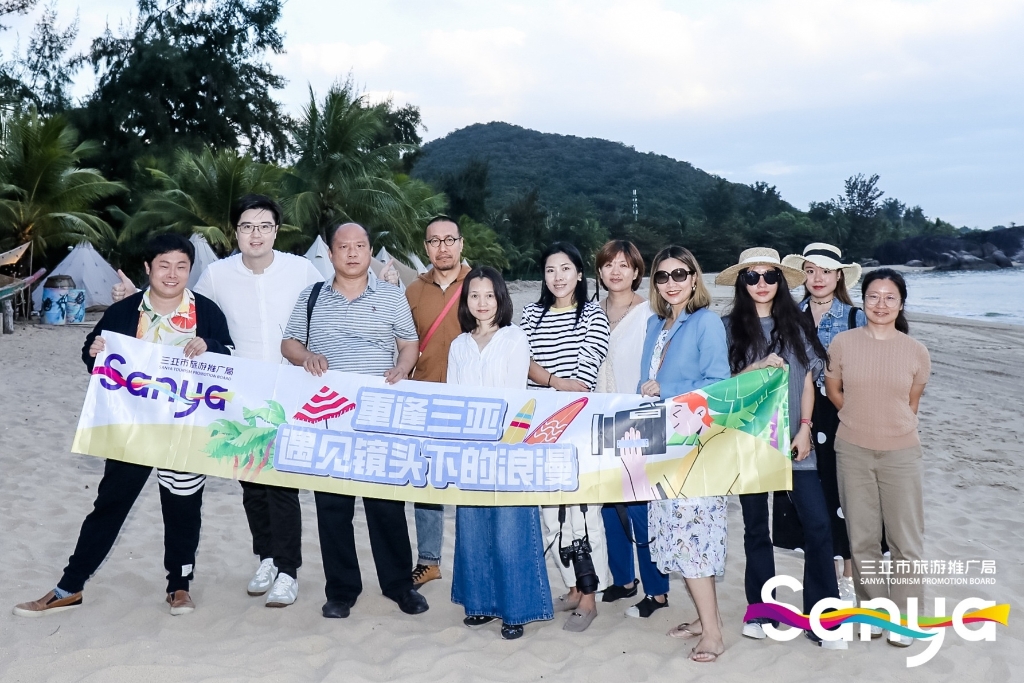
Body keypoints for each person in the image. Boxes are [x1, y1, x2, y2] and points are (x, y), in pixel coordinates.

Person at [111, 195, 324, 607]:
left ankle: (288, 571)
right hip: (238, 391)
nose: (255, 234)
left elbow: (330, 303)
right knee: (251, 480)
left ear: (276, 231)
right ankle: (266, 558)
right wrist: (133, 296)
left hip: (290, 388)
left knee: (282, 483)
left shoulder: (301, 269)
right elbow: (180, 307)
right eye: (247, 226)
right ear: (235, 232)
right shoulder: (218, 274)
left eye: (264, 226)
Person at [14, 234, 234, 618]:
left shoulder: (207, 311)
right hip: (133, 427)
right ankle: (70, 586)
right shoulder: (126, 310)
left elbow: (230, 357)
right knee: (110, 505)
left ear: (190, 270)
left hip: (187, 429)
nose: (172, 274)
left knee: (183, 509)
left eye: (181, 266)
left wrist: (210, 347)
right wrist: (94, 352)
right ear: (148, 268)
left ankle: (179, 586)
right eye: (163, 265)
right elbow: (93, 350)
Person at [281, 222, 428, 619]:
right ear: (330, 254)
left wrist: (403, 367)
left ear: (369, 251)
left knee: (386, 506)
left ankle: (399, 585)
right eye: (343, 247)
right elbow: (289, 342)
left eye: (359, 246)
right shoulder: (312, 295)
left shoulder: (392, 295)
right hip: (328, 417)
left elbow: (408, 342)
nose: (351, 253)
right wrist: (306, 357)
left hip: (377, 416)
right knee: (332, 506)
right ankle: (342, 591)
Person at [715, 247, 844, 651]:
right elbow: (718, 387)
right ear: (741, 282)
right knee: (756, 528)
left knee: (818, 525)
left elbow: (806, 382)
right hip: (748, 442)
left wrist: (805, 428)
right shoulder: (726, 327)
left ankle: (822, 617)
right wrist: (753, 368)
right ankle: (762, 610)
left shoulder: (797, 324)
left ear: (781, 281)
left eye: (770, 276)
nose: (761, 284)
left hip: (794, 442)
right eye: (751, 276)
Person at [825, 268, 930, 647]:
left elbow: (911, 402)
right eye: (873, 296)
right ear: (863, 299)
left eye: (889, 297)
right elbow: (834, 390)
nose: (880, 304)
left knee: (905, 541)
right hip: (852, 450)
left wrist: (887, 425)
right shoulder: (842, 343)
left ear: (901, 304)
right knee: (862, 539)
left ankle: (905, 619)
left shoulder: (916, 351)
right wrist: (857, 418)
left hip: (901, 453)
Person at [447, 266, 552, 640]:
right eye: (474, 295)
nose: (482, 302)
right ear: (466, 301)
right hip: (469, 449)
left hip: (508, 445)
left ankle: (516, 610)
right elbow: (454, 397)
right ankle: (480, 604)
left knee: (511, 531)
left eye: (489, 295)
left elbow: (514, 394)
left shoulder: (514, 338)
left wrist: (498, 440)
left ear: (500, 299)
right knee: (473, 528)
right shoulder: (459, 345)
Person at [638, 246, 730, 663]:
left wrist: (667, 391)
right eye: (662, 276)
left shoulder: (706, 322)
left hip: (695, 446)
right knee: (678, 533)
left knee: (694, 538)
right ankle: (705, 618)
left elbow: (718, 385)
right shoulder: (656, 325)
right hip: (662, 444)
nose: (671, 282)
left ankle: (712, 633)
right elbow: (646, 380)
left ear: (694, 278)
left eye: (680, 274)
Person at [521, 241, 611, 632]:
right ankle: (572, 588)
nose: (557, 277)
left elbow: (584, 377)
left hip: (579, 426)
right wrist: (554, 381)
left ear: (579, 273)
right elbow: (521, 361)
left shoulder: (593, 315)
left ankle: (590, 597)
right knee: (552, 514)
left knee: (583, 514)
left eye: (565, 269)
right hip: (539, 430)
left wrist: (550, 382)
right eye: (550, 270)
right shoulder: (530, 315)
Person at [383, 215, 470, 589]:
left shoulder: (481, 284)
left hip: (472, 402)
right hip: (426, 397)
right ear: (426, 247)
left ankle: (471, 561)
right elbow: (400, 340)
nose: (442, 247)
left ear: (461, 243)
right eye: (434, 241)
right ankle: (429, 561)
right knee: (427, 484)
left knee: (471, 484)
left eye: (449, 240)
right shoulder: (413, 291)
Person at [781, 243, 866, 603]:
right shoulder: (791, 314)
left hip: (841, 413)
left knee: (845, 492)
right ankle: (827, 575)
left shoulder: (855, 317)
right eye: (811, 270)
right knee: (814, 497)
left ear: (839, 276)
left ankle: (848, 576)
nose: (818, 278)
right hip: (800, 412)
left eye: (826, 271)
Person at [590, 240, 667, 618]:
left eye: (624, 265)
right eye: (608, 265)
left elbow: (663, 358)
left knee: (640, 505)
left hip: (639, 417)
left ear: (637, 271)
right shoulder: (591, 311)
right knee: (608, 502)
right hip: (599, 416)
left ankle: (657, 590)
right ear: (599, 272)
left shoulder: (651, 311)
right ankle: (623, 580)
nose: (616, 271)